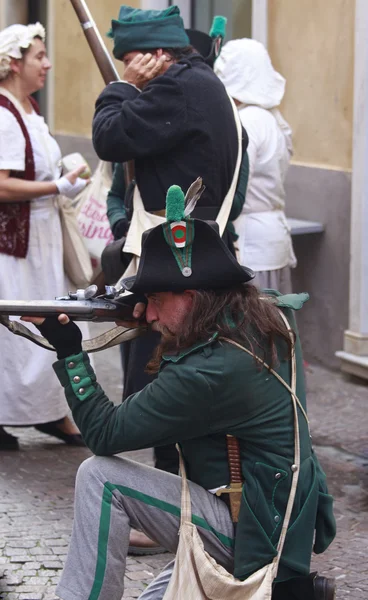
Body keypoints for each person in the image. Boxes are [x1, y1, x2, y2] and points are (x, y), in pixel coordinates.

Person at [26, 182, 336, 600]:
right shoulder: (266, 314)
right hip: (273, 521)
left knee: (101, 476)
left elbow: (103, 434)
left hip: (249, 537)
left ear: (192, 297)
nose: (149, 312)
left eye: (155, 298)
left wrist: (69, 350)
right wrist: (157, 316)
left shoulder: (209, 373)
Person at [94, 5, 248, 552]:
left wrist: (119, 88)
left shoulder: (179, 87)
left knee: (165, 394)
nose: (129, 69)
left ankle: (187, 517)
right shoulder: (201, 86)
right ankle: (184, 512)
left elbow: (109, 136)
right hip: (192, 264)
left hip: (183, 272)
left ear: (156, 55)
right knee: (169, 389)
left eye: (132, 59)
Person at [0, 23, 90, 450]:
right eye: (39, 56)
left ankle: (49, 411)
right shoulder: (2, 114)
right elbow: (0, 184)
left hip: (43, 236)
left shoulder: (30, 109)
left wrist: (62, 178)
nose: (48, 64)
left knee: (49, 319)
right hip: (14, 245)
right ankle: (9, 414)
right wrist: (57, 186)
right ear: (14, 63)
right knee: (14, 328)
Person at [215, 38, 297, 293]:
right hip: (273, 240)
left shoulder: (246, 122)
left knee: (252, 327)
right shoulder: (271, 118)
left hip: (251, 245)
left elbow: (234, 186)